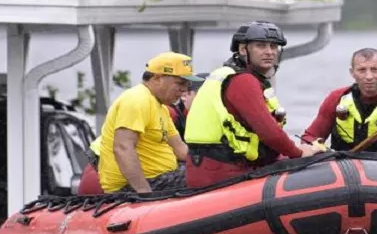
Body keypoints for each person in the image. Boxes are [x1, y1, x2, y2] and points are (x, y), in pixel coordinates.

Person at [184, 21, 320, 188]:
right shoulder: (243, 81)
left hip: (212, 166)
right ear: (243, 50)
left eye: (273, 46)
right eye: (261, 46)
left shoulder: (232, 74)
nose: (269, 52)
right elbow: (269, 132)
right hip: (221, 171)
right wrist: (299, 152)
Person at [76, 71, 207, 196]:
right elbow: (124, 148)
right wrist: (144, 191)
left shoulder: (166, 109)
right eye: (204, 97)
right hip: (102, 175)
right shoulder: (165, 110)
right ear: (186, 95)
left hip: (125, 170)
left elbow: (181, 152)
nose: (209, 103)